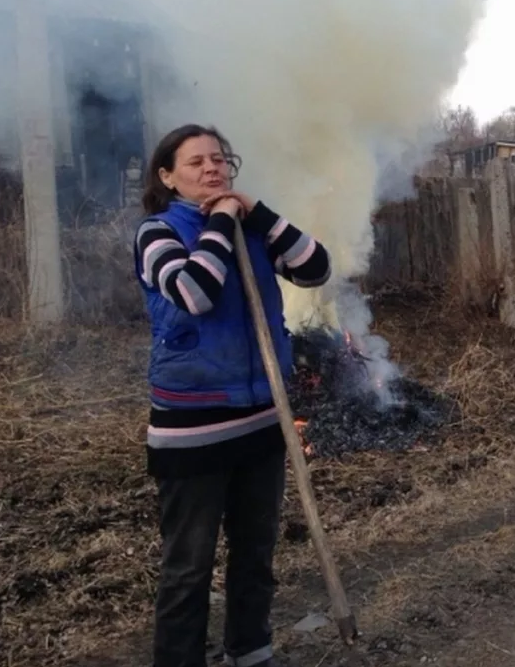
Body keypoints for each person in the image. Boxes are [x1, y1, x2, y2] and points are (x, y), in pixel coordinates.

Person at [133, 124, 332, 667]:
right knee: (190, 565)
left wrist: (258, 214)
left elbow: (316, 269)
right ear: (167, 176)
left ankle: (251, 651)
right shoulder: (157, 232)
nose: (213, 169)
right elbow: (194, 292)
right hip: (193, 428)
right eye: (195, 162)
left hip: (263, 418)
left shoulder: (251, 228)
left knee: (255, 552)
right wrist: (220, 220)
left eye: (219, 160)